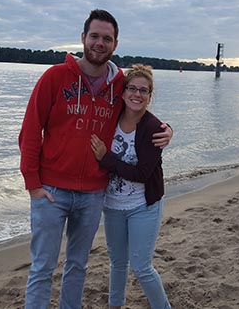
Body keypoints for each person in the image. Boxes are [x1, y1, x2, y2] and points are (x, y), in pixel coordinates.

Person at [18, 10, 172, 309]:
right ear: (83, 39)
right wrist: (33, 184)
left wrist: (167, 130)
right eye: (95, 36)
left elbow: (139, 107)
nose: (100, 43)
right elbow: (30, 130)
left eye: (107, 38)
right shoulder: (54, 77)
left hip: (93, 193)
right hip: (51, 190)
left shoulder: (119, 85)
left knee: (78, 266)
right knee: (42, 268)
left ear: (115, 44)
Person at [90, 64, 171, 309]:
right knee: (117, 262)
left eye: (143, 91)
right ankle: (115, 305)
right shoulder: (110, 117)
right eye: (132, 89)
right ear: (123, 93)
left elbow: (143, 174)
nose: (137, 94)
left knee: (141, 267)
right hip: (112, 205)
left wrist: (107, 160)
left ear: (149, 96)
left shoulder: (154, 129)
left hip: (142, 206)